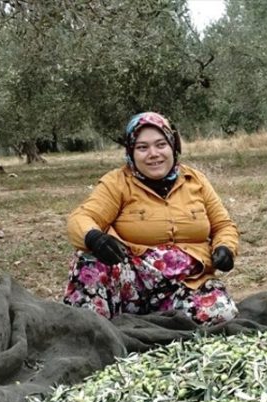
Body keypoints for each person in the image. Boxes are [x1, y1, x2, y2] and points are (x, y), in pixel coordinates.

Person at [64, 111, 239, 324]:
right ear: (131, 152)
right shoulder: (117, 182)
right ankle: (97, 328)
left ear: (174, 146)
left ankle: (145, 323)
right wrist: (94, 237)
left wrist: (225, 248)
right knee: (88, 260)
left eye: (161, 145)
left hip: (186, 283)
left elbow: (223, 225)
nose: (153, 154)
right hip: (131, 285)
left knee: (222, 313)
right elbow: (81, 217)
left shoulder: (196, 181)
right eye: (142, 147)